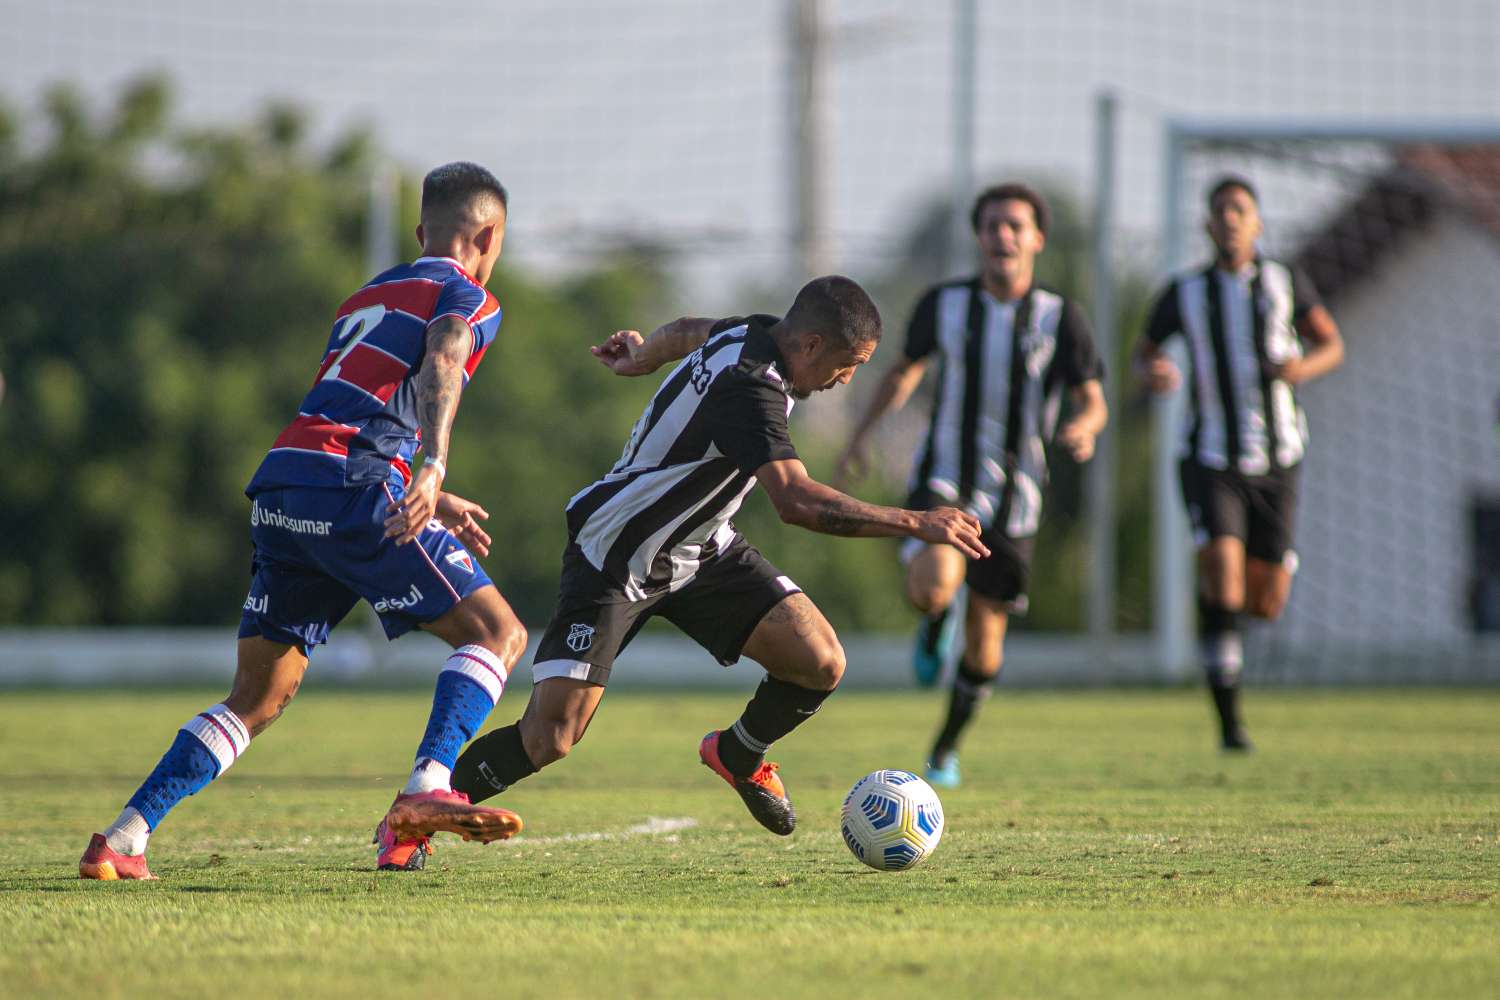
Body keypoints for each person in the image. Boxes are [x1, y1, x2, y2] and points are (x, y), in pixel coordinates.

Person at [79, 162, 529, 880]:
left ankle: (124, 838)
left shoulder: (366, 296)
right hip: (353, 489)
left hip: (287, 489)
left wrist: (423, 489)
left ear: (419, 232)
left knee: (258, 696)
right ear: (487, 234)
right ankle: (425, 790)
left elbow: (354, 409)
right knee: (498, 633)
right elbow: (445, 359)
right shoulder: (466, 293)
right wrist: (434, 467)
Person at [444, 276, 988, 836]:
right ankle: (422, 808)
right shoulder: (752, 388)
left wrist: (641, 356)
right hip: (619, 553)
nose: (846, 379)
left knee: (819, 661)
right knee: (549, 738)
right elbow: (796, 502)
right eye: (848, 365)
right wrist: (916, 522)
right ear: (811, 346)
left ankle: (738, 754)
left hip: (701, 548)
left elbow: (684, 332)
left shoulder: (753, 331)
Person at [834, 184, 1107, 788]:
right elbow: (904, 372)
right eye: (991, 225)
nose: (1002, 236)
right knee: (932, 587)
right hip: (945, 477)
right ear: (978, 237)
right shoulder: (945, 304)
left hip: (1018, 497)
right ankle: (935, 618)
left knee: (986, 647)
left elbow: (1093, 399)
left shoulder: (1062, 318)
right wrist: (861, 435)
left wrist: (1083, 428)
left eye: (1015, 225)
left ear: (1036, 238)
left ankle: (945, 749)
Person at [1134, 174, 1344, 750]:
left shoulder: (1284, 282)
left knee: (1265, 601)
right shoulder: (1185, 292)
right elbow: (1143, 353)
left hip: (1279, 457)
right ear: (1208, 224)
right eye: (1221, 209)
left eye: (1240, 209)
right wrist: (1154, 373)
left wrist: (1302, 367)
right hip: (1209, 457)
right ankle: (1231, 724)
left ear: (1256, 223)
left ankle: (1215, 607)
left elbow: (1331, 343)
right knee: (1224, 572)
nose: (1230, 218)